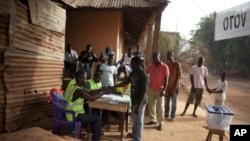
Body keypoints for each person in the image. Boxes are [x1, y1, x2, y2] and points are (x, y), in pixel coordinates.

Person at [65, 70, 111, 141]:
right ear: (80, 79)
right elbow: (92, 98)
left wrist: (103, 90)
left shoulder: (76, 87)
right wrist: (103, 92)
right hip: (74, 115)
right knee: (97, 119)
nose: (86, 80)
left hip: (74, 112)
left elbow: (90, 92)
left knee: (95, 113)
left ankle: (94, 132)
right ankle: (95, 139)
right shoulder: (78, 91)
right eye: (85, 78)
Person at [112, 56, 148, 141]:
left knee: (139, 120)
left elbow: (144, 91)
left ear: (137, 64)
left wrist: (139, 106)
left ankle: (137, 138)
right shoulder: (133, 72)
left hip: (141, 101)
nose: (131, 65)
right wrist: (115, 86)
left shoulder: (143, 75)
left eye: (132, 64)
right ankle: (134, 134)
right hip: (134, 99)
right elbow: (126, 82)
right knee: (135, 119)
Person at [145, 52, 169, 131]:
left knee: (160, 107)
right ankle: (153, 120)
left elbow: (166, 79)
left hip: (160, 89)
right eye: (153, 57)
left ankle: (161, 123)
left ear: (159, 57)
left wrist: (164, 90)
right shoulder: (151, 66)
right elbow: (146, 73)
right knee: (151, 105)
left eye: (156, 57)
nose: (154, 59)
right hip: (151, 88)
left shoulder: (164, 67)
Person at [165, 51, 182, 121]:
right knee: (166, 101)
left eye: (169, 55)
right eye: (167, 56)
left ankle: (173, 115)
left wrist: (176, 85)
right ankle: (166, 113)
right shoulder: (166, 65)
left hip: (174, 86)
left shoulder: (177, 64)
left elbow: (179, 76)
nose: (168, 57)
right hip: (167, 86)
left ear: (172, 55)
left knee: (174, 102)